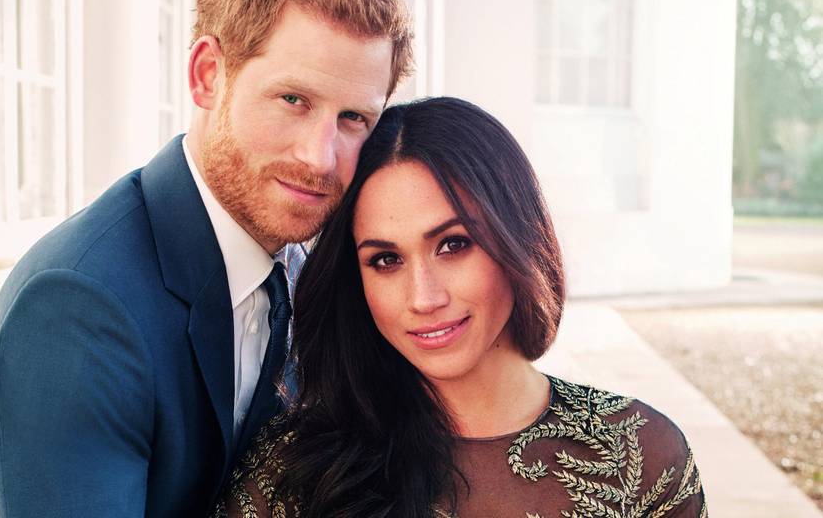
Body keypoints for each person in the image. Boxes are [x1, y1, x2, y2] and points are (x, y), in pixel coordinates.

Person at [0, 0, 412, 516]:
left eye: (353, 117)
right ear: (209, 74)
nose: (320, 156)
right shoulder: (78, 306)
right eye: (293, 99)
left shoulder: (300, 263)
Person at [212, 97, 707, 518]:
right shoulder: (291, 473)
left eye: (453, 245)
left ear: (517, 236)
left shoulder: (642, 461)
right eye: (385, 260)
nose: (424, 297)